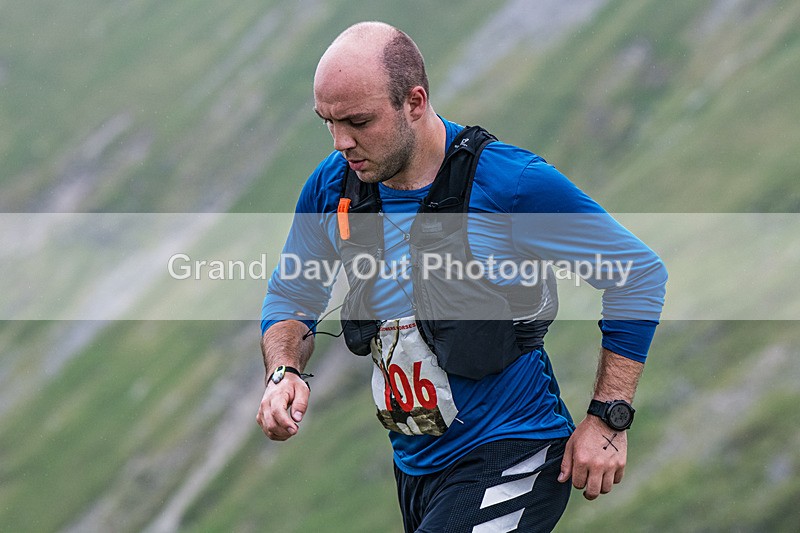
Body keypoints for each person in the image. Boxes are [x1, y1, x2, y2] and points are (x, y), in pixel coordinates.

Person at [256, 21, 667, 532]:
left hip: (514, 451)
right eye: (328, 122)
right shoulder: (332, 186)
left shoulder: (510, 184)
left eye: (359, 122)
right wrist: (283, 372)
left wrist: (609, 418)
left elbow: (636, 273)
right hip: (417, 468)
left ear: (415, 100)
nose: (341, 141)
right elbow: (293, 292)